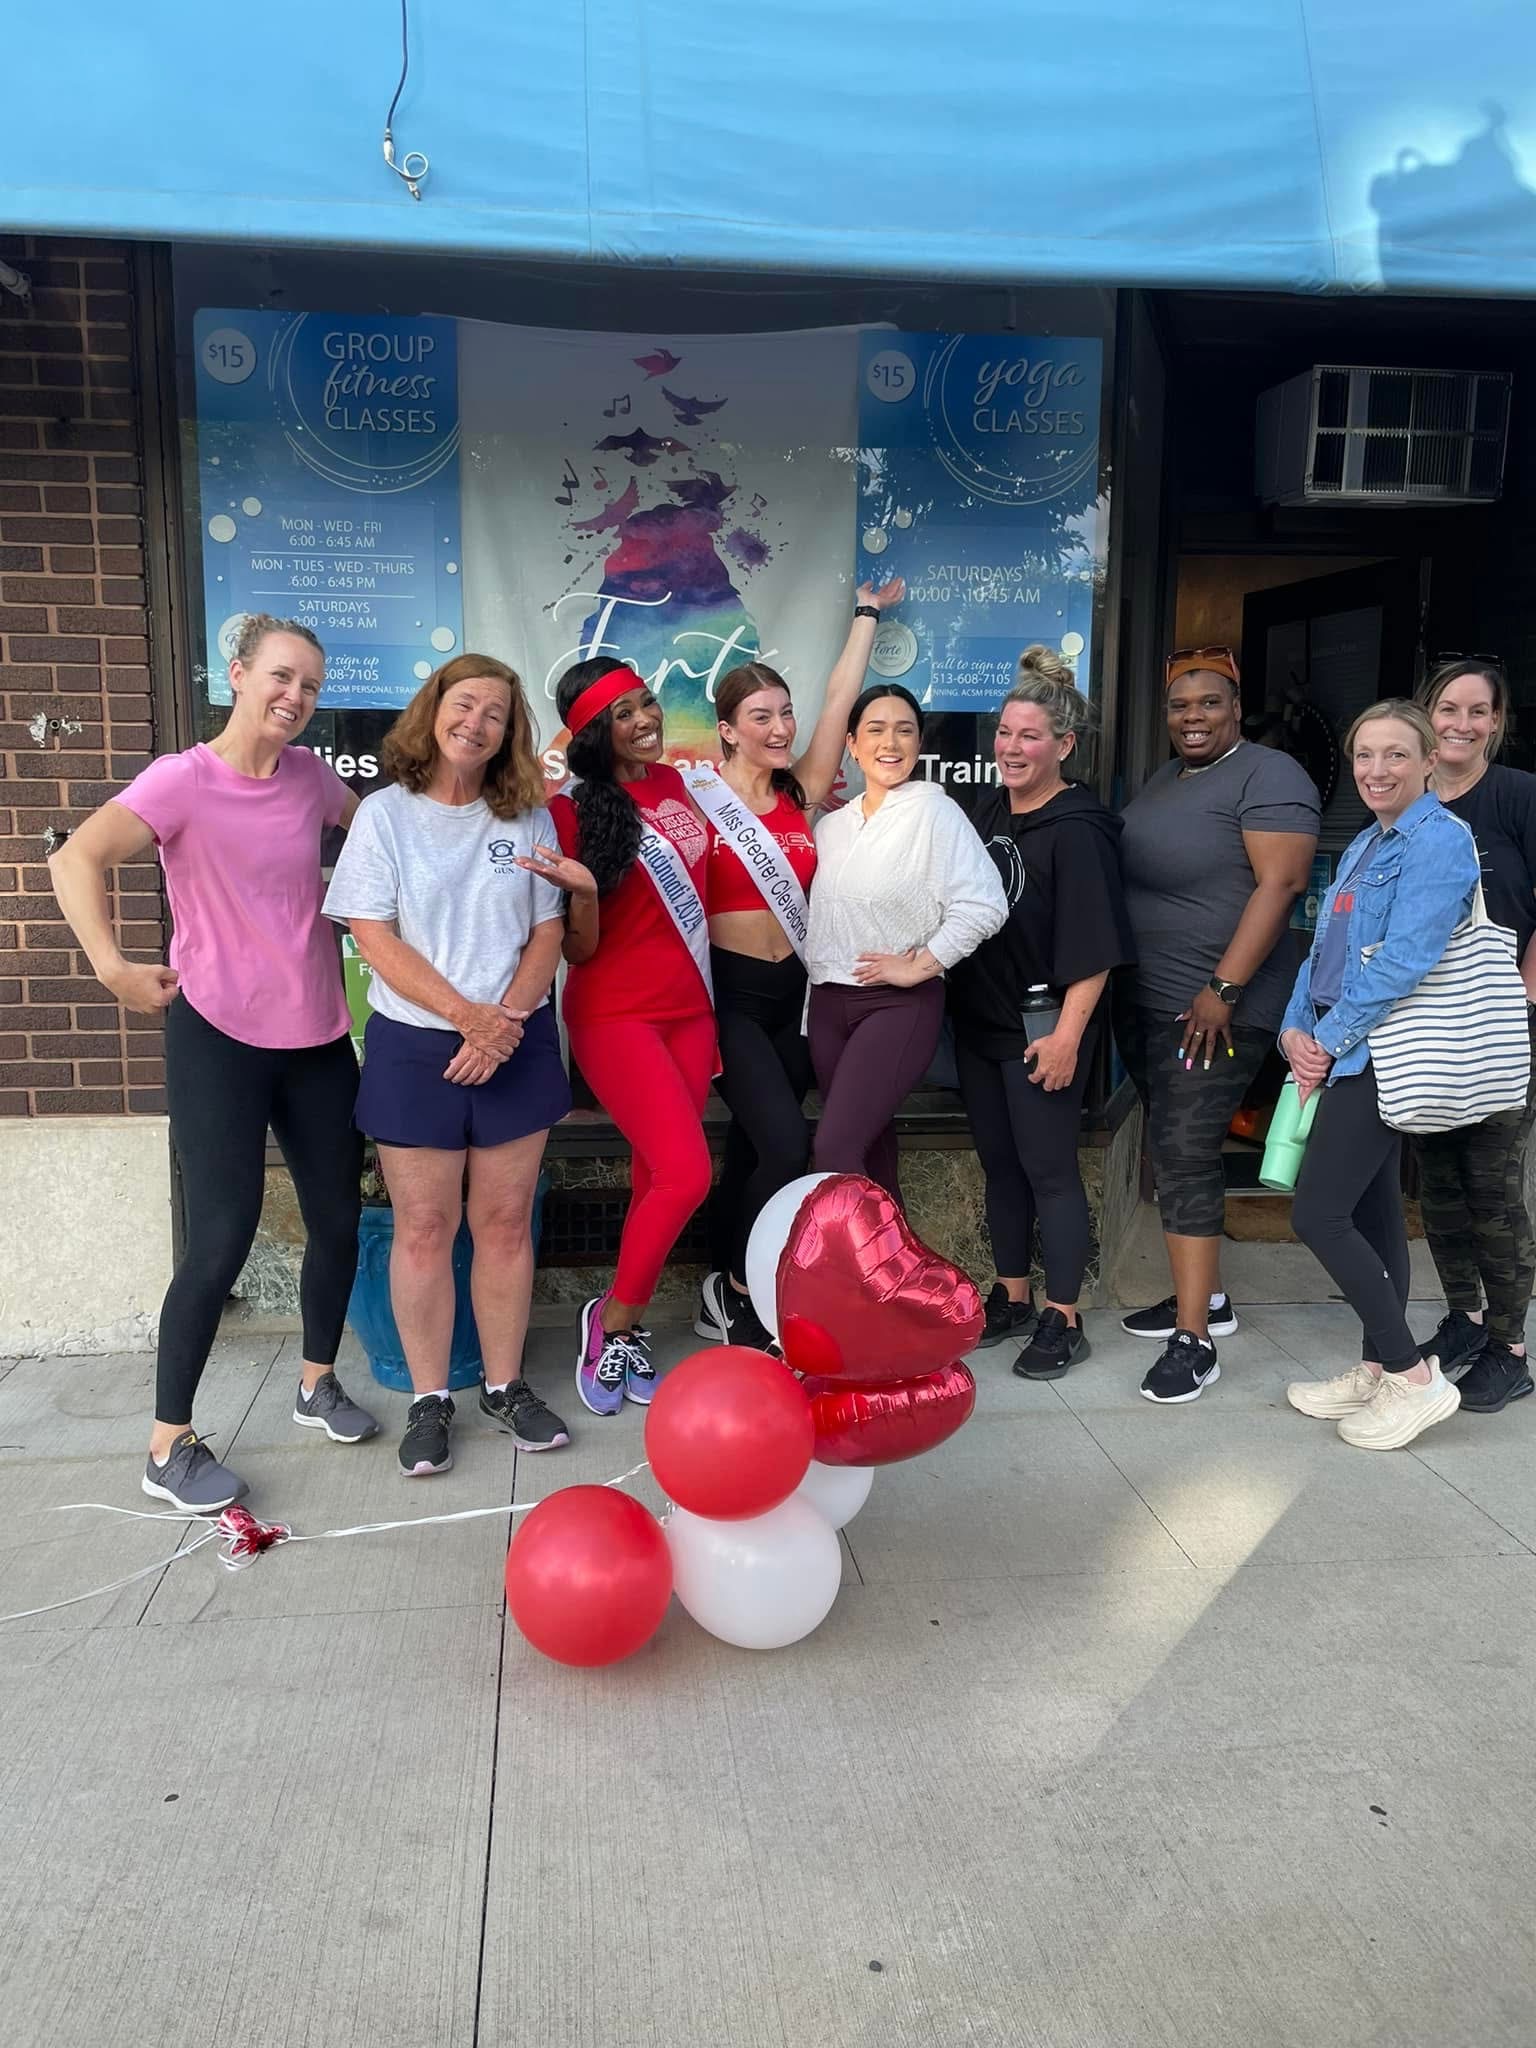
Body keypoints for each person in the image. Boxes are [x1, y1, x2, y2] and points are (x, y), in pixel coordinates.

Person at [47, 615, 375, 1512]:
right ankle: (167, 1445)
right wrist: (112, 966)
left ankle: (315, 1384)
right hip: (217, 1036)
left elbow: (389, 837)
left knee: (338, 1222)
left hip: (315, 1037)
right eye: (280, 677)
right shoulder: (181, 780)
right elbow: (77, 857)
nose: (295, 699)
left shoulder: (312, 779)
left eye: (309, 686)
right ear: (238, 674)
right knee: (222, 1236)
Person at [323, 654, 573, 1479]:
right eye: (464, 705)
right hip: (416, 1046)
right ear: (433, 710)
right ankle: (430, 1401)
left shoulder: (527, 818)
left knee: (504, 1225)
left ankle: (503, 1385)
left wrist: (501, 1026)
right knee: (426, 1230)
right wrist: (467, 1018)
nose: (476, 722)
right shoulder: (384, 817)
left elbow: (547, 932)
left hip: (516, 1038)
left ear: (510, 733)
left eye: (496, 714)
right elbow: (373, 932)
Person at [690, 578, 905, 1350]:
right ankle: (742, 1291)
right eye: (761, 717)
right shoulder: (694, 798)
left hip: (797, 999)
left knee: (754, 1148)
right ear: (727, 729)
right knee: (786, 1143)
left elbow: (840, 701)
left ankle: (721, 1279)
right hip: (732, 1001)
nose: (780, 727)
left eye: (784, 712)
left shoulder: (798, 792)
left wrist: (866, 616)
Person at [1114, 646, 1319, 1404]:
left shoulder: (1271, 774)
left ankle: (1194, 1340)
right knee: (1175, 1151)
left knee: (1185, 1154)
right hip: (1150, 1004)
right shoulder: (1170, 777)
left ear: (1237, 708)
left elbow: (1283, 882)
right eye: (1179, 705)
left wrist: (1222, 988)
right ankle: (1209, 1298)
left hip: (1214, 1011)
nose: (1192, 717)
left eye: (1208, 703)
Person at [1281, 699, 1481, 1451]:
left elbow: (1404, 960)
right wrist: (1297, 1032)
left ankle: (1413, 1376)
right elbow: (1321, 949)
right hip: (1343, 1045)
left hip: (1382, 1049)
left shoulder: (1440, 842)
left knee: (1317, 1214)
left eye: (1395, 755)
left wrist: (1327, 1042)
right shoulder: (1368, 840)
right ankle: (1375, 1365)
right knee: (1370, 1214)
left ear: (1431, 760)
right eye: (1364, 755)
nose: (1376, 770)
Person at [527, 662, 716, 1418]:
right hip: (616, 1015)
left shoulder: (676, 788)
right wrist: (581, 892)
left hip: (692, 1012)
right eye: (623, 713)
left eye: (647, 703)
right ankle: (613, 1320)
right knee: (686, 1174)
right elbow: (577, 951)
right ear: (593, 734)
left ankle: (623, 1327)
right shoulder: (570, 813)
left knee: (653, 1177)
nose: (645, 719)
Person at [947, 648, 1136, 1379]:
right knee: (1001, 1165)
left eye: (1029, 736)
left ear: (1064, 745)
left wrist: (1067, 1038)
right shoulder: (988, 809)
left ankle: (1063, 1316)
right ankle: (1012, 1296)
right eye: (1004, 733)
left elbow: (1093, 949)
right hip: (981, 1021)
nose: (1012, 747)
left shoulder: (1081, 828)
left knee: (1050, 1169)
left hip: (1044, 1026)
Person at [805, 683, 1007, 1200]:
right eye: (875, 729)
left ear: (919, 743)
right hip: (828, 1005)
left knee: (832, 1149)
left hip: (896, 1005)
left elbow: (985, 903)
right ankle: (895, 1270)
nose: (889, 742)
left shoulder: (935, 813)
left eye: (904, 730)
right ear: (851, 744)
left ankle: (856, 1280)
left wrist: (922, 964)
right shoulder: (832, 827)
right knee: (869, 1147)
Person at [1408, 657, 1536, 1413]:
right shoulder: (1411, 800)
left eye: (1477, 711)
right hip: (1426, 1025)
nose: (1460, 724)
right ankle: (1465, 1318)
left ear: (1497, 722)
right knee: (1442, 1186)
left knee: (1494, 1187)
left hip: (1502, 1027)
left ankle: (1511, 1348)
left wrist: (1523, 998)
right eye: (1448, 708)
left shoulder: (1519, 796)